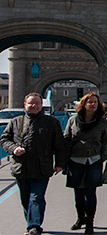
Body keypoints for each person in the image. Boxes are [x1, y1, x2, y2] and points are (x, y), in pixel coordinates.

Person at [0, 92, 67, 235]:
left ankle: (34, 226)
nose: (34, 106)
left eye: (37, 103)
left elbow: (60, 145)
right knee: (26, 200)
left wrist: (60, 163)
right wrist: (14, 149)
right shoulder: (15, 122)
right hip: (21, 167)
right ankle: (32, 222)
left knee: (36, 198)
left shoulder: (52, 122)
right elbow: (4, 140)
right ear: (25, 105)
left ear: (41, 105)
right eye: (31, 103)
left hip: (42, 168)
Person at [64, 92, 107, 235]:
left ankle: (90, 223)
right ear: (83, 104)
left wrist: (103, 156)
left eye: (95, 102)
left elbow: (106, 141)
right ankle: (80, 219)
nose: (93, 104)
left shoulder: (103, 122)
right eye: (89, 102)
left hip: (94, 160)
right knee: (78, 192)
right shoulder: (73, 120)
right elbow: (66, 138)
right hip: (76, 159)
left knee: (91, 192)